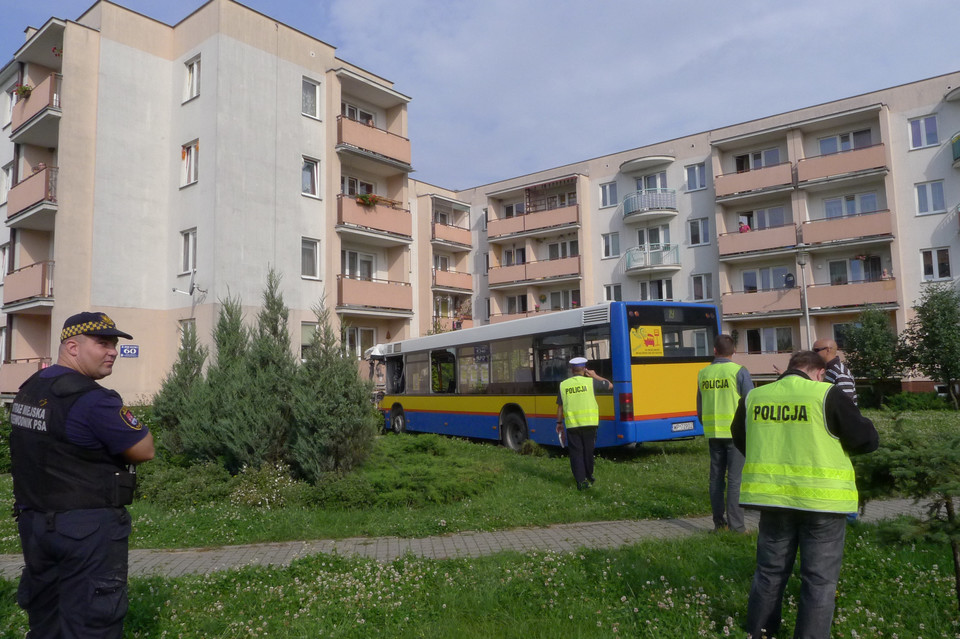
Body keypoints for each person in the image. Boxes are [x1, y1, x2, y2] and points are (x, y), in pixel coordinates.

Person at [10, 312, 155, 638]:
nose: (113, 351)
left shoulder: (30, 388)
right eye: (103, 343)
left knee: (47, 623)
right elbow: (144, 448)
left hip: (35, 525)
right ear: (72, 347)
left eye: (115, 344)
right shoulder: (92, 400)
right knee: (92, 625)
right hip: (86, 531)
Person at [731, 350, 878, 639]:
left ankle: (760, 633)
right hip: (822, 504)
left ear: (790, 368)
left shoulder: (756, 397)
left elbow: (741, 438)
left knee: (769, 574)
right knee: (819, 581)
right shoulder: (827, 395)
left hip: (772, 501)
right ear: (820, 372)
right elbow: (865, 440)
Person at [696, 334, 753, 532]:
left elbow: (700, 408)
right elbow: (750, 402)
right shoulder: (739, 371)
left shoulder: (703, 373)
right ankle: (737, 527)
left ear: (714, 350)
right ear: (734, 351)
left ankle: (719, 524)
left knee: (716, 479)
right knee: (735, 480)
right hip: (735, 434)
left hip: (713, 433)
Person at [556, 356, 611, 491]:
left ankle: (581, 481)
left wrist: (559, 423)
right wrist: (595, 375)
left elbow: (560, 407)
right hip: (590, 424)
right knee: (588, 451)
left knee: (576, 453)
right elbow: (609, 385)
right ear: (584, 369)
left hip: (573, 424)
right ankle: (589, 476)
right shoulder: (590, 382)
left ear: (572, 370)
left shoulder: (564, 385)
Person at [812, 338, 858, 405]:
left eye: (816, 350)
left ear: (828, 350)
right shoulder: (826, 370)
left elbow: (846, 404)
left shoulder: (840, 373)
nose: (813, 354)